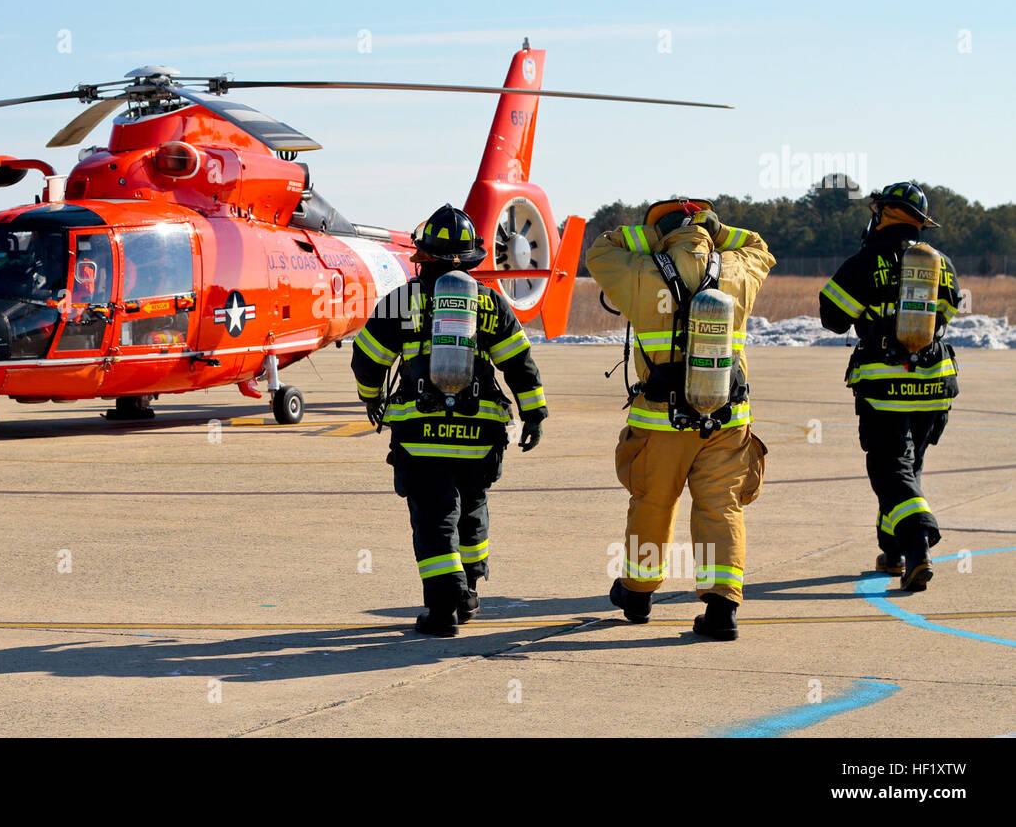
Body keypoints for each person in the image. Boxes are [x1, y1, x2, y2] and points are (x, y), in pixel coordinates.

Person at [352, 204, 547, 637]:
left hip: (421, 437)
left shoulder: (402, 301)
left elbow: (367, 359)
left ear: (423, 257)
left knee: (434, 518)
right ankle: (470, 595)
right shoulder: (489, 302)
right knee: (471, 509)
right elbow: (519, 363)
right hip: (479, 433)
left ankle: (442, 610)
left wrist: (372, 400)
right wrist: (533, 414)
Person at [586, 199, 773, 641]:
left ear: (659, 231)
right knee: (720, 506)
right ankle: (723, 607)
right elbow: (759, 245)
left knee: (653, 503)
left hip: (661, 421)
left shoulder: (639, 272)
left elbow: (600, 249)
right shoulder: (736, 270)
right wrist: (714, 230)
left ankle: (637, 594)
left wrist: (655, 235)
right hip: (727, 419)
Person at [819, 182, 960, 592]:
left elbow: (832, 317)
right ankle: (894, 551)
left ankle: (917, 544)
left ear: (883, 214)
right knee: (907, 467)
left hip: (885, 387)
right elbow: (947, 312)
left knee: (889, 467)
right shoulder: (943, 265)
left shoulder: (864, 262)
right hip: (934, 386)